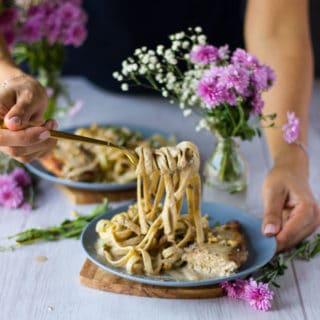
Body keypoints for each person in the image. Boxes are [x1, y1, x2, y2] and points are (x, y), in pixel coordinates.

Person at [0, 0, 319, 251]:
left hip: (213, 77)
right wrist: (6, 76)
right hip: (69, 74)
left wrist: (290, 158)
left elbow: (278, 25)